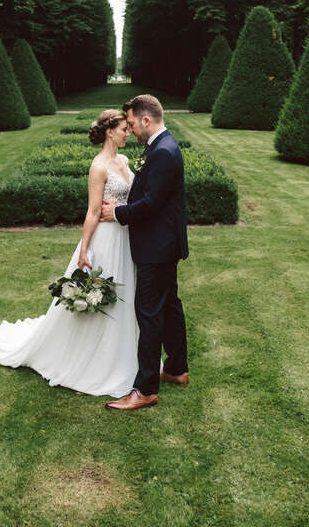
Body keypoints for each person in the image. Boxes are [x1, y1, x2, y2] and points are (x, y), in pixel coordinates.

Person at [0, 110, 139, 397]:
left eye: (129, 129)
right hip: (105, 239)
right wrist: (84, 249)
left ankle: (123, 352)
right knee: (103, 294)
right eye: (123, 129)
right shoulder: (98, 167)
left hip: (124, 234)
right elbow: (92, 212)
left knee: (128, 295)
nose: (128, 133)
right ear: (109, 132)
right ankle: (95, 358)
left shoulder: (125, 161)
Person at [100, 94, 189, 411]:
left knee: (149, 313)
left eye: (133, 122)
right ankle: (177, 369)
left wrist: (118, 214)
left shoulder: (163, 152)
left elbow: (151, 204)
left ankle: (146, 388)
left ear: (146, 120)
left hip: (157, 246)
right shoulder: (161, 147)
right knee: (169, 306)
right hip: (165, 243)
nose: (132, 129)